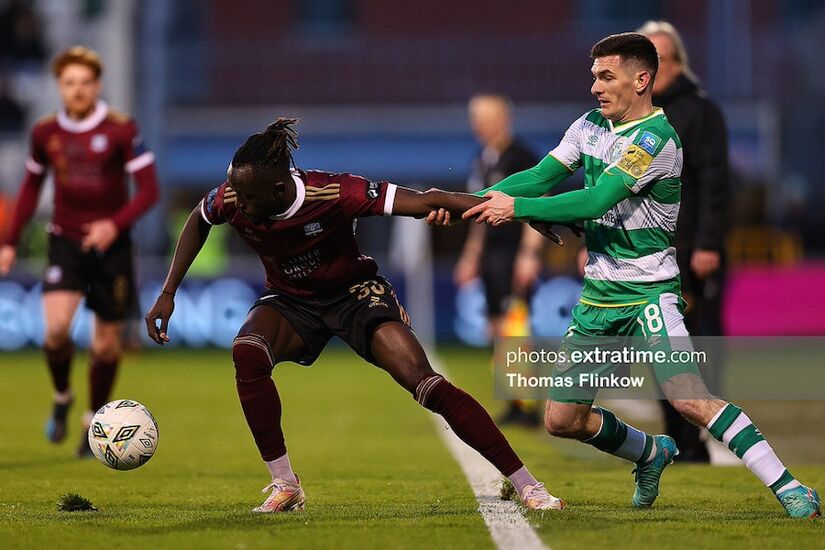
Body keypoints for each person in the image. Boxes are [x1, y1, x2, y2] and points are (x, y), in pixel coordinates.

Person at [443, 33, 819, 518]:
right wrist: (464, 203)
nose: (595, 87)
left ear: (642, 80)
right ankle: (650, 451)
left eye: (606, 76)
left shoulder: (655, 140)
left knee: (688, 399)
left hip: (648, 294)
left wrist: (515, 208)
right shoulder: (589, 126)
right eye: (594, 76)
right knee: (562, 419)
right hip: (599, 295)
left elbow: (596, 200)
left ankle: (790, 487)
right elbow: (539, 176)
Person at [144, 118, 566, 513]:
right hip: (291, 301)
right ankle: (285, 484)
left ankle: (527, 483)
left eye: (250, 197)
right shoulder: (235, 194)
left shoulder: (334, 192)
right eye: (236, 191)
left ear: (277, 189)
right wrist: (168, 292)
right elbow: (199, 221)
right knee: (247, 352)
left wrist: (524, 211)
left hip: (354, 295)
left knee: (427, 384)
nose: (239, 203)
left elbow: (428, 201)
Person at [0, 46, 160, 457]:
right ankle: (62, 395)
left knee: (106, 346)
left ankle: (93, 422)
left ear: (97, 85)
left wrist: (113, 224)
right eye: (70, 83)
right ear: (60, 86)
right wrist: (9, 242)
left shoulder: (123, 129)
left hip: (113, 248)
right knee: (55, 333)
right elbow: (32, 188)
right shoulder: (45, 133)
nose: (77, 90)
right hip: (66, 241)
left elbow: (149, 191)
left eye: (85, 82)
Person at [638, 20, 729, 463]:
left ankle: (698, 438)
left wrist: (709, 243)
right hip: (649, 254)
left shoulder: (699, 111)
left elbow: (715, 182)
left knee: (699, 343)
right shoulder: (638, 117)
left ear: (676, 63)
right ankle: (677, 436)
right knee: (658, 348)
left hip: (693, 250)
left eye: (657, 61)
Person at [456, 93, 544, 426]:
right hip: (491, 253)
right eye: (475, 119)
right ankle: (512, 399)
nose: (479, 125)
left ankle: (527, 406)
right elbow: (478, 212)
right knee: (497, 327)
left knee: (515, 328)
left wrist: (529, 253)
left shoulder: (522, 156)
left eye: (485, 118)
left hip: (513, 251)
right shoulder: (482, 159)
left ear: (503, 119)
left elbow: (539, 203)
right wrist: (471, 256)